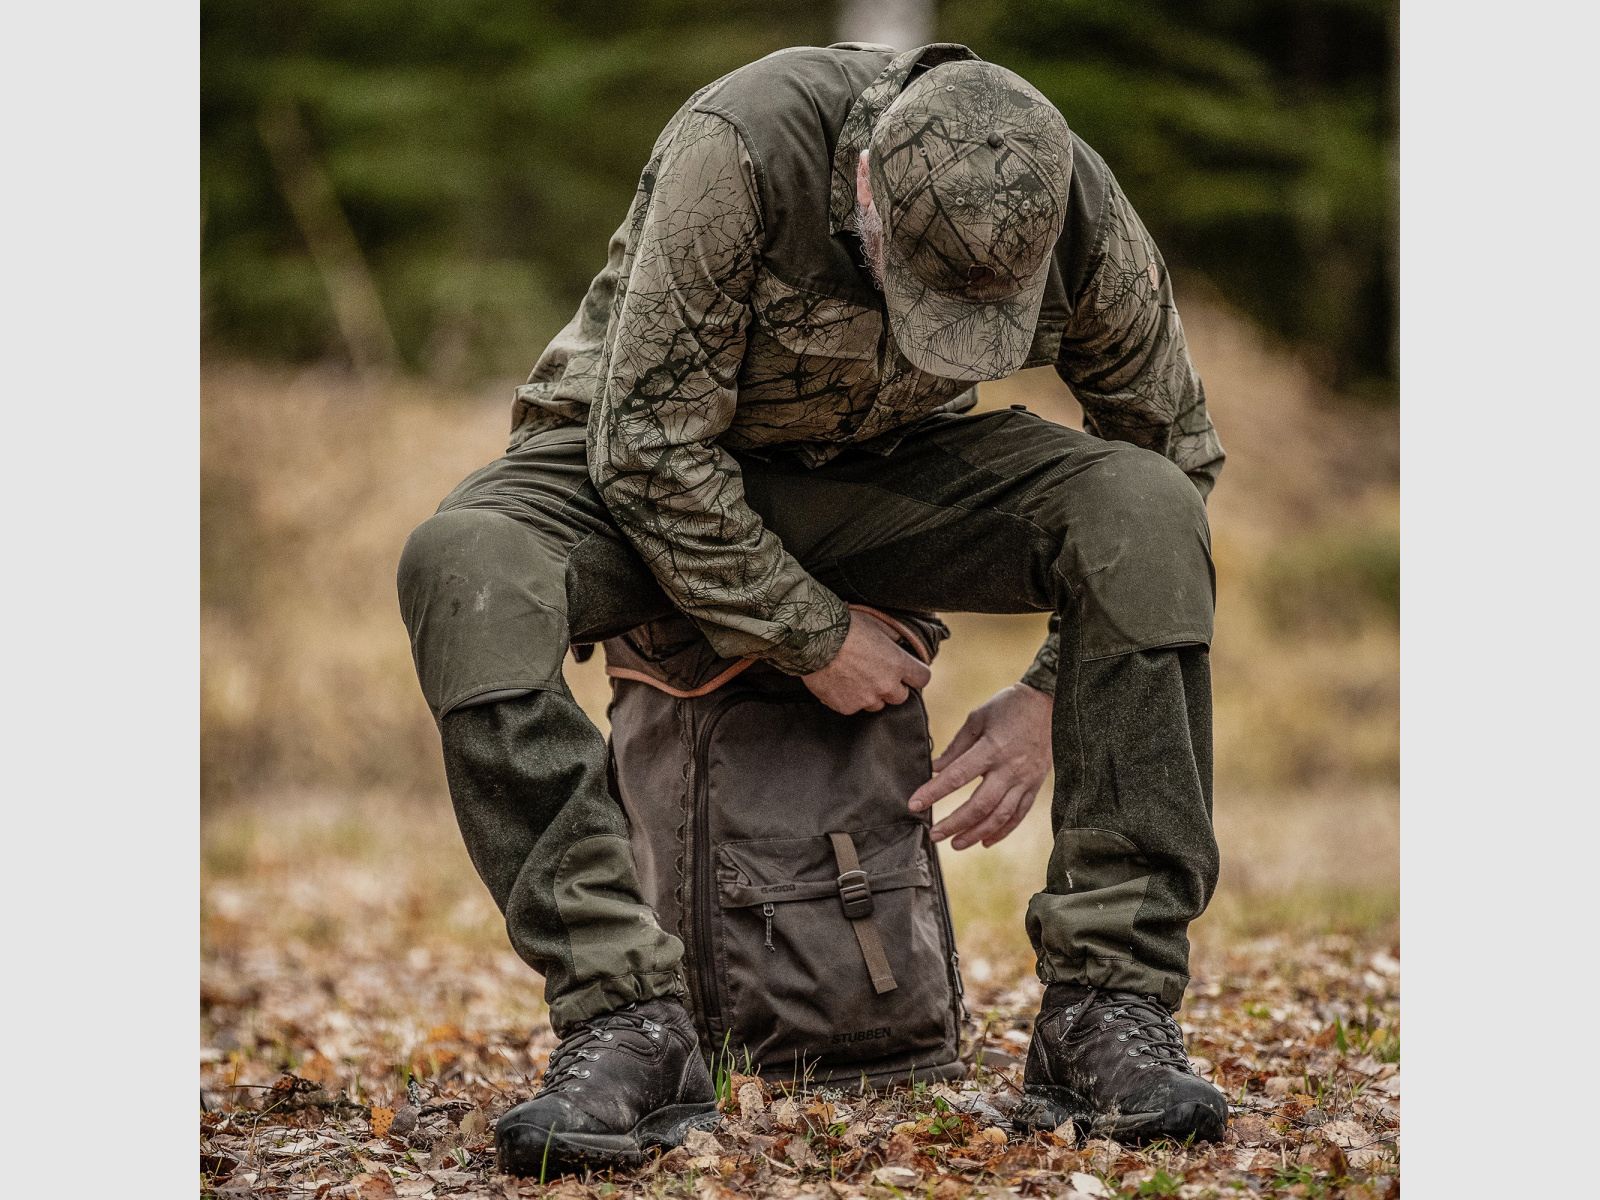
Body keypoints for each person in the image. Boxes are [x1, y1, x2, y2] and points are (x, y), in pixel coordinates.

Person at [398, 41, 1228, 1175]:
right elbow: (645, 450)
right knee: (464, 562)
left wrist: (1049, 693)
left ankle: (1106, 1009)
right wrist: (813, 636)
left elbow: (1170, 448)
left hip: (888, 476)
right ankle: (624, 1019)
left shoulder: (1066, 190)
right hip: (628, 475)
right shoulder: (739, 152)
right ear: (870, 191)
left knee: (1142, 509)